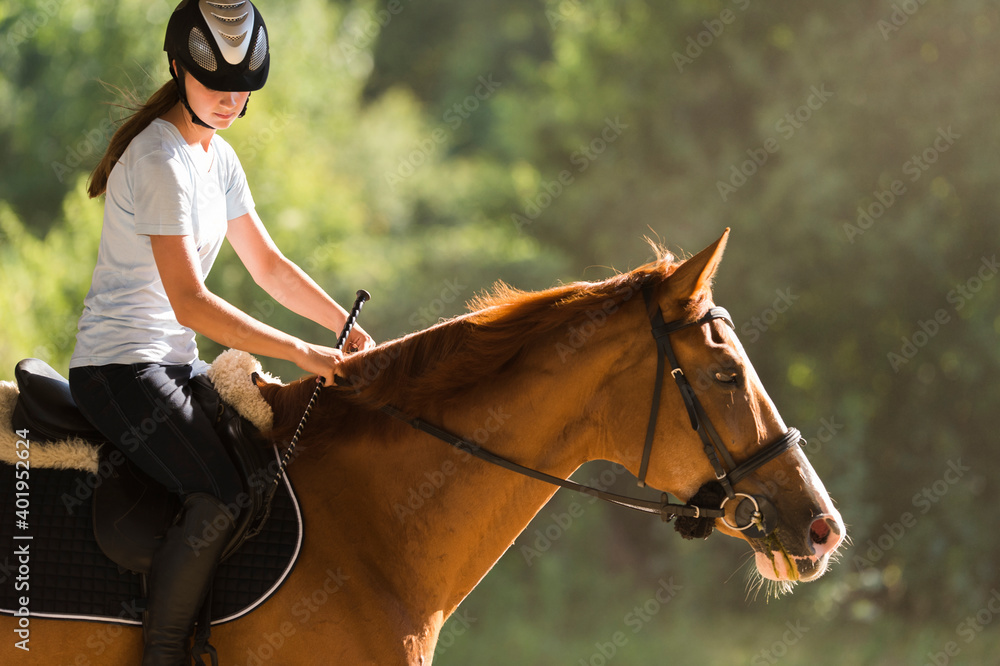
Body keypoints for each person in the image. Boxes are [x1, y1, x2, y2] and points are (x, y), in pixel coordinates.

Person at [67, 2, 374, 663]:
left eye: (244, 89)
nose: (232, 101)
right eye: (218, 86)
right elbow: (190, 302)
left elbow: (267, 264)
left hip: (172, 367)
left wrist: (342, 330)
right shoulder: (159, 161)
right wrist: (301, 352)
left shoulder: (218, 156)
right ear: (178, 69)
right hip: (119, 370)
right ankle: (165, 652)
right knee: (223, 491)